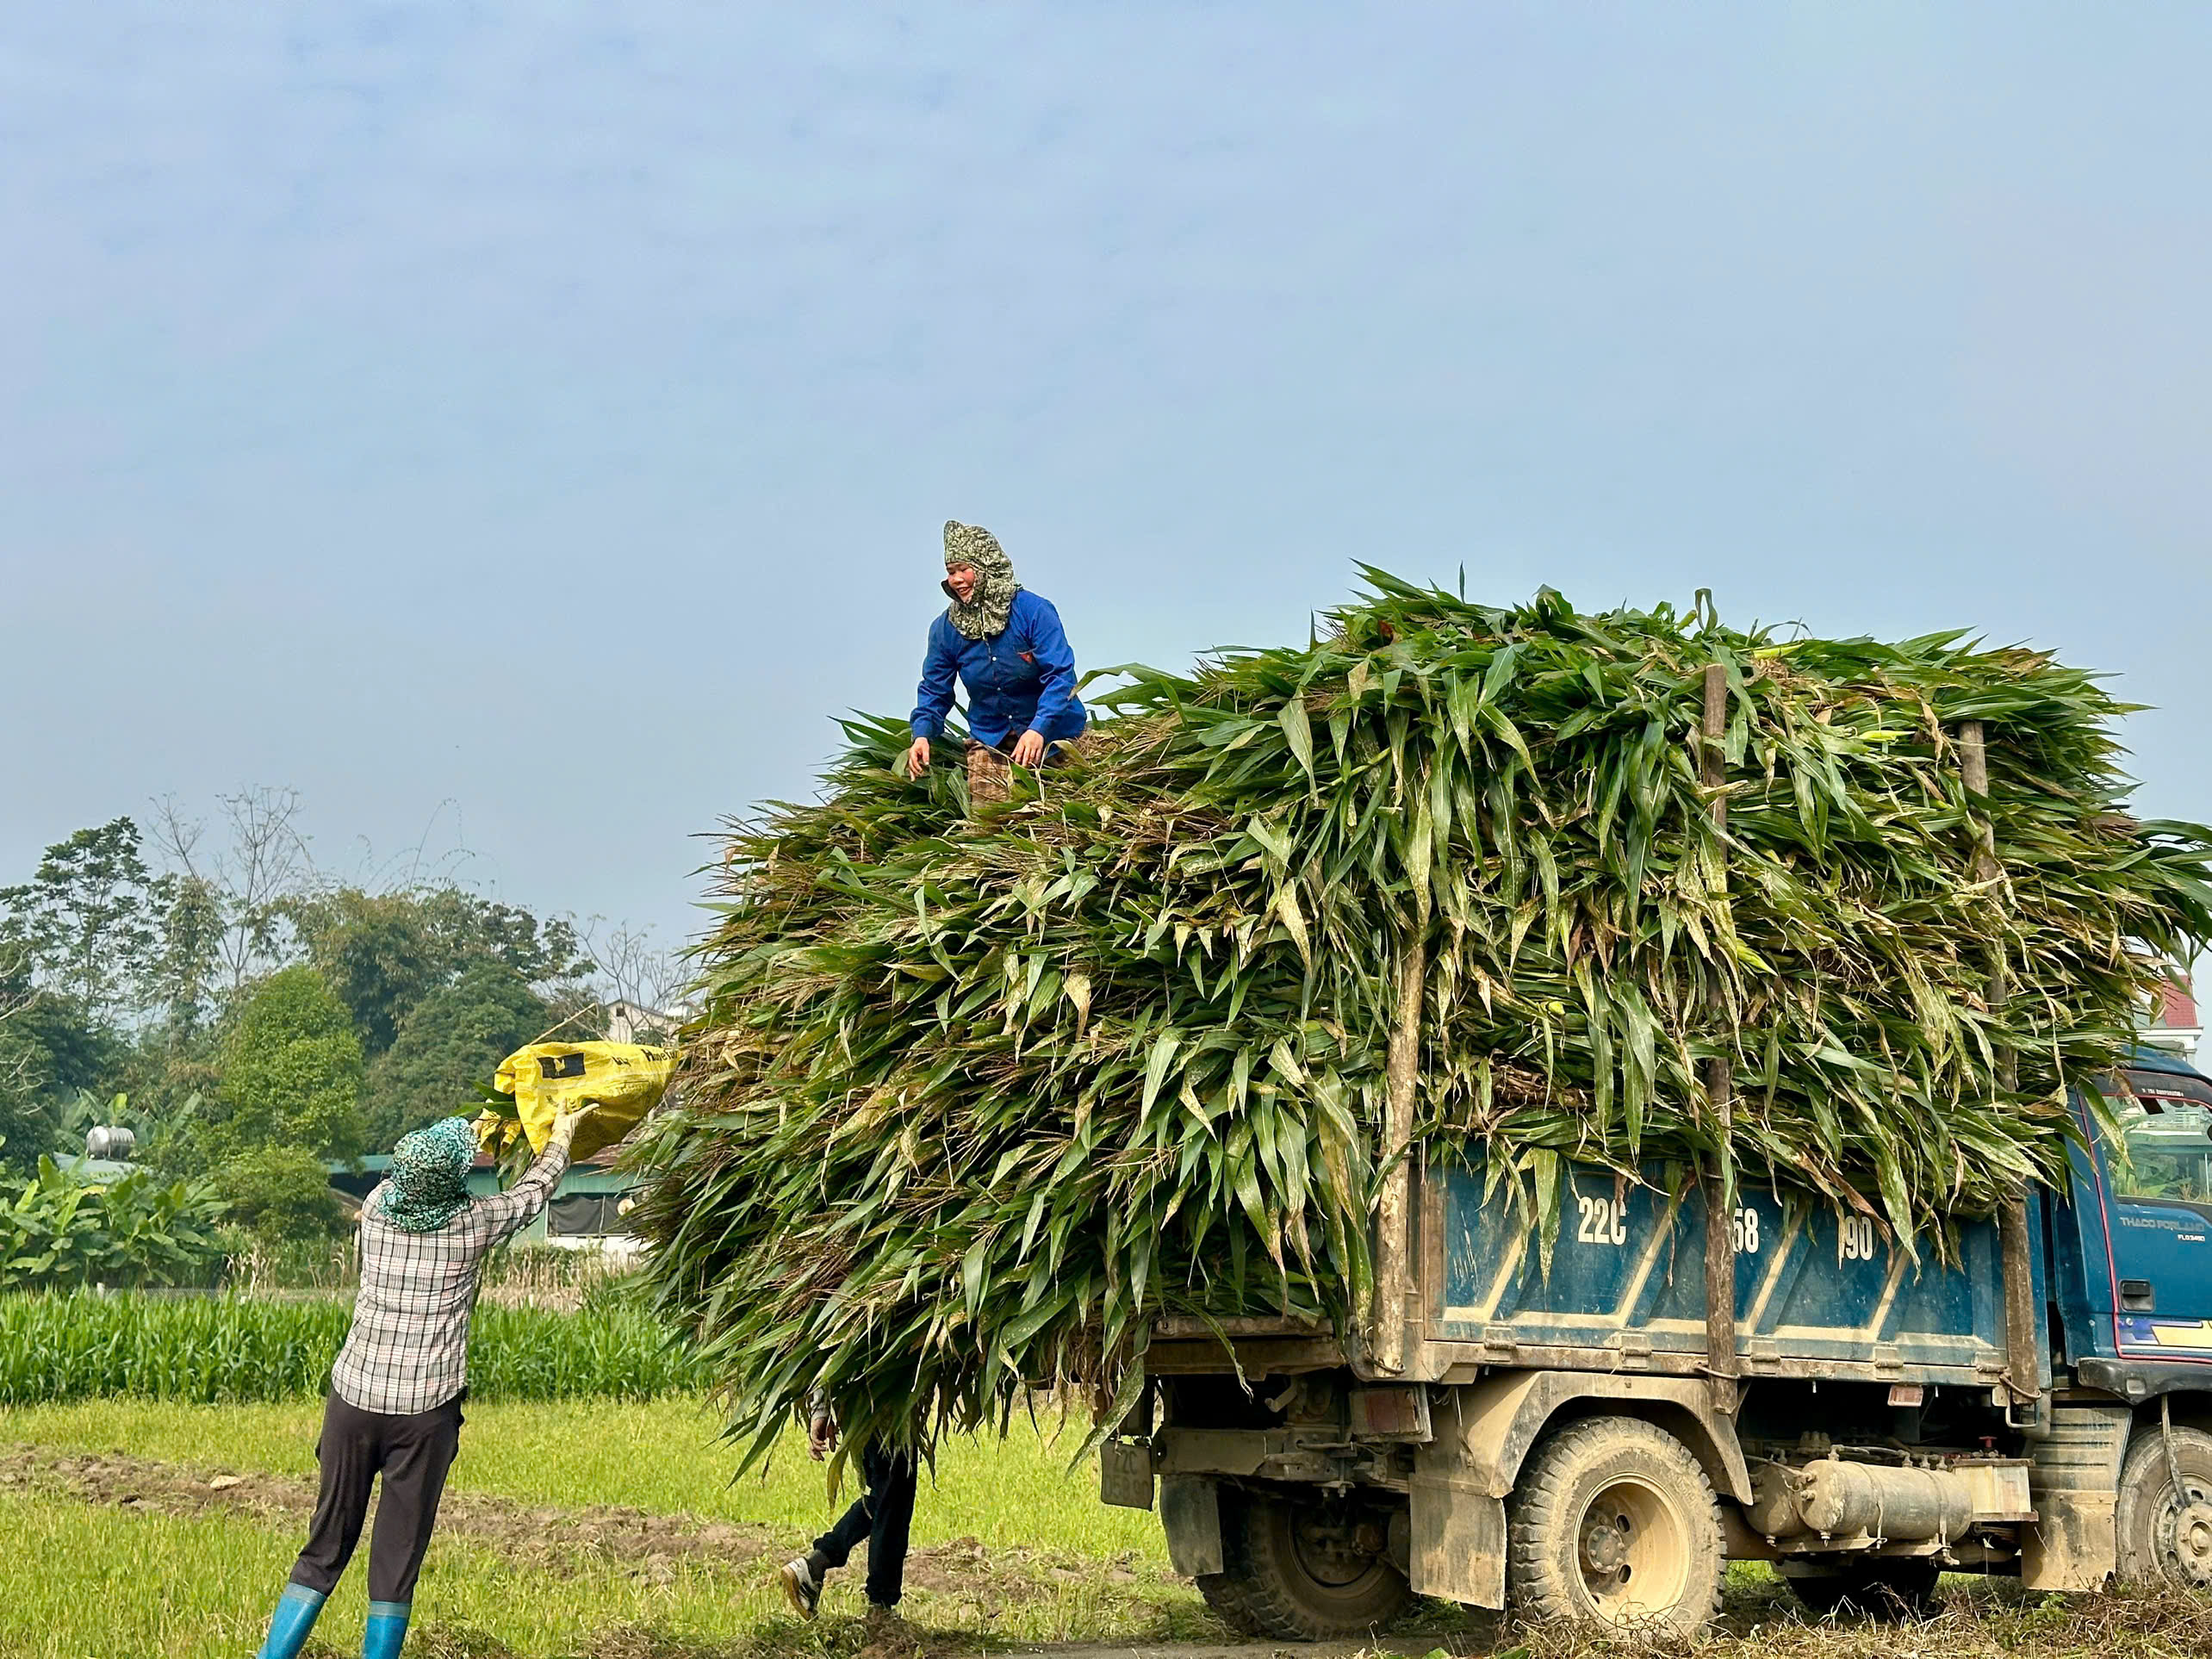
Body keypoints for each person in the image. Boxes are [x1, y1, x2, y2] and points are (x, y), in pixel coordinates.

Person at [253, 1106, 588, 1659]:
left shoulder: (377, 1207)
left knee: (324, 1547)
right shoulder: (473, 1225)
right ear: (454, 1179)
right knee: (396, 1558)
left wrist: (476, 1123)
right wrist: (561, 1136)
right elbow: (536, 1190)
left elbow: (425, 1168)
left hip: (353, 1403)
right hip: (424, 1413)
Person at [905, 520, 1086, 803]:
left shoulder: (1033, 611)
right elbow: (935, 690)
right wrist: (922, 735)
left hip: (1055, 734)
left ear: (986, 567)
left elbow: (1060, 676)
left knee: (1069, 807)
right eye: (951, 572)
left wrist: (1039, 729)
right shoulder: (945, 630)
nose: (956, 579)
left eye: (964, 569)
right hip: (992, 741)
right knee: (990, 821)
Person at [778, 1401, 920, 1626]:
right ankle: (880, 1607)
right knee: (893, 1497)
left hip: (866, 1405)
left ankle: (817, 1563)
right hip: (882, 1404)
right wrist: (821, 1411)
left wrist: (821, 1411)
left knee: (886, 1497)